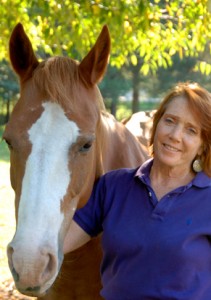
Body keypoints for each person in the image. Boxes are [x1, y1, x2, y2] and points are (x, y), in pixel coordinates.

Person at [63, 82, 211, 300]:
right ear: (157, 124)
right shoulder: (112, 186)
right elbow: (59, 243)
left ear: (202, 146)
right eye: (170, 121)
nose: (175, 135)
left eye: (191, 130)